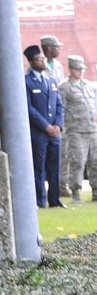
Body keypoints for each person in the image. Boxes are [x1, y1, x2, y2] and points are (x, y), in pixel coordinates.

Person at [24, 42, 64, 209]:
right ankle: (40, 201)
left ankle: (55, 200)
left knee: (55, 167)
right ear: (31, 62)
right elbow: (29, 108)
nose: (42, 62)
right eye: (38, 59)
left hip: (54, 133)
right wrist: (46, 126)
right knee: (39, 168)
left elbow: (59, 105)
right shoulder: (26, 81)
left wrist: (58, 126)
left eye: (42, 58)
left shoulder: (51, 80)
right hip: (39, 133)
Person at [59, 54, 95, 202]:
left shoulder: (88, 86)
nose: (80, 72)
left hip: (92, 128)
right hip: (75, 130)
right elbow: (62, 109)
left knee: (95, 161)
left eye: (82, 69)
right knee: (78, 161)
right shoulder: (65, 88)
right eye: (77, 69)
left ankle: (96, 191)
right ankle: (75, 191)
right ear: (70, 69)